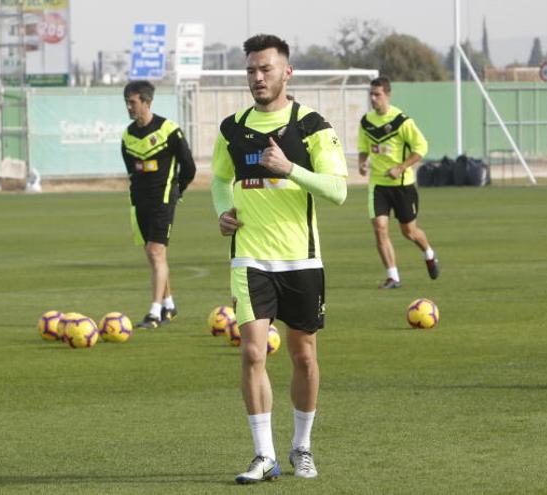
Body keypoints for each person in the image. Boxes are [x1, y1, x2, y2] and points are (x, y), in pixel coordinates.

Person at [210, 34, 347, 484]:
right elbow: (219, 178)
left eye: (265, 69)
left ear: (286, 72)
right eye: (250, 69)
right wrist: (222, 213)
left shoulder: (311, 126)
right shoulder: (232, 128)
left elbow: (338, 190)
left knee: (303, 355)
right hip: (250, 258)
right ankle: (263, 455)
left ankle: (301, 446)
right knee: (252, 352)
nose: (257, 77)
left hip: (301, 260)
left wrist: (290, 169)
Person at [121, 80, 196, 328]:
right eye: (127, 102)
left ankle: (153, 313)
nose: (129, 107)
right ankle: (169, 304)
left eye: (133, 102)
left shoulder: (168, 130)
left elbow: (189, 166)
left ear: (147, 102)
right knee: (154, 256)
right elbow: (132, 172)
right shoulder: (128, 135)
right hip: (139, 203)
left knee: (156, 252)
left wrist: (177, 190)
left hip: (163, 200)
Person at [358, 76, 439, 289]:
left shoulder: (402, 122)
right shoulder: (366, 122)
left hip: (403, 185)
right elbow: (363, 149)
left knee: (409, 232)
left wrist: (401, 167)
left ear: (388, 95)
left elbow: (421, 148)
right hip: (378, 185)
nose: (373, 99)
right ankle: (393, 276)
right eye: (371, 95)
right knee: (379, 227)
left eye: (378, 95)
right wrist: (362, 163)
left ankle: (429, 253)